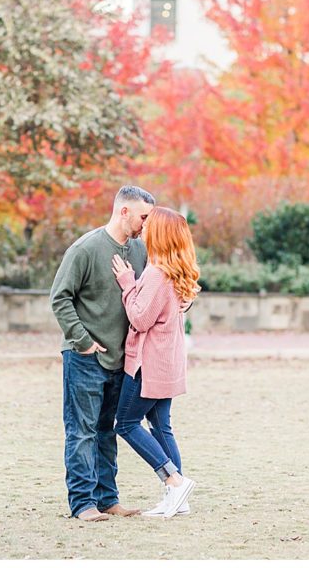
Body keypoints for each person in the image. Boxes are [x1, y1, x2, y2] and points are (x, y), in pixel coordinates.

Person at [50, 185, 156, 522]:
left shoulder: (140, 252)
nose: (145, 224)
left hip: (121, 360)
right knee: (81, 432)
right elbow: (59, 298)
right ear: (124, 211)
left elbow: (148, 294)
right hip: (84, 358)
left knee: (106, 430)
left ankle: (107, 499)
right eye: (143, 217)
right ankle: (83, 504)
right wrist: (81, 340)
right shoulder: (85, 248)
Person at [110, 206, 200, 519]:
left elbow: (139, 317)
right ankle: (179, 498)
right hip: (168, 363)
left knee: (127, 423)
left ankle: (174, 481)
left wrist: (126, 282)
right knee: (161, 425)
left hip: (147, 366)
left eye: (150, 224)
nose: (144, 227)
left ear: (159, 234)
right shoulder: (177, 271)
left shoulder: (156, 273)